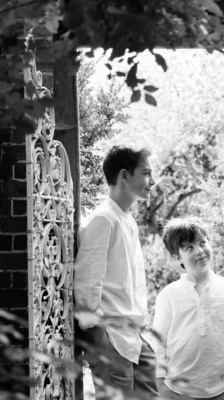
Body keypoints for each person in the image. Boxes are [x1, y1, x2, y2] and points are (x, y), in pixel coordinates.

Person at [73, 145, 157, 396]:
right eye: (146, 173)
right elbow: (87, 283)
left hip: (133, 335)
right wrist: (100, 338)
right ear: (124, 175)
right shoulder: (103, 219)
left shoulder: (127, 220)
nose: (152, 181)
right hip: (111, 338)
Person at [153, 217, 224, 400]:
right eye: (189, 247)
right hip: (176, 392)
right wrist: (162, 387)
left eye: (202, 243)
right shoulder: (168, 295)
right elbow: (158, 343)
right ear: (176, 256)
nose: (199, 251)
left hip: (221, 391)